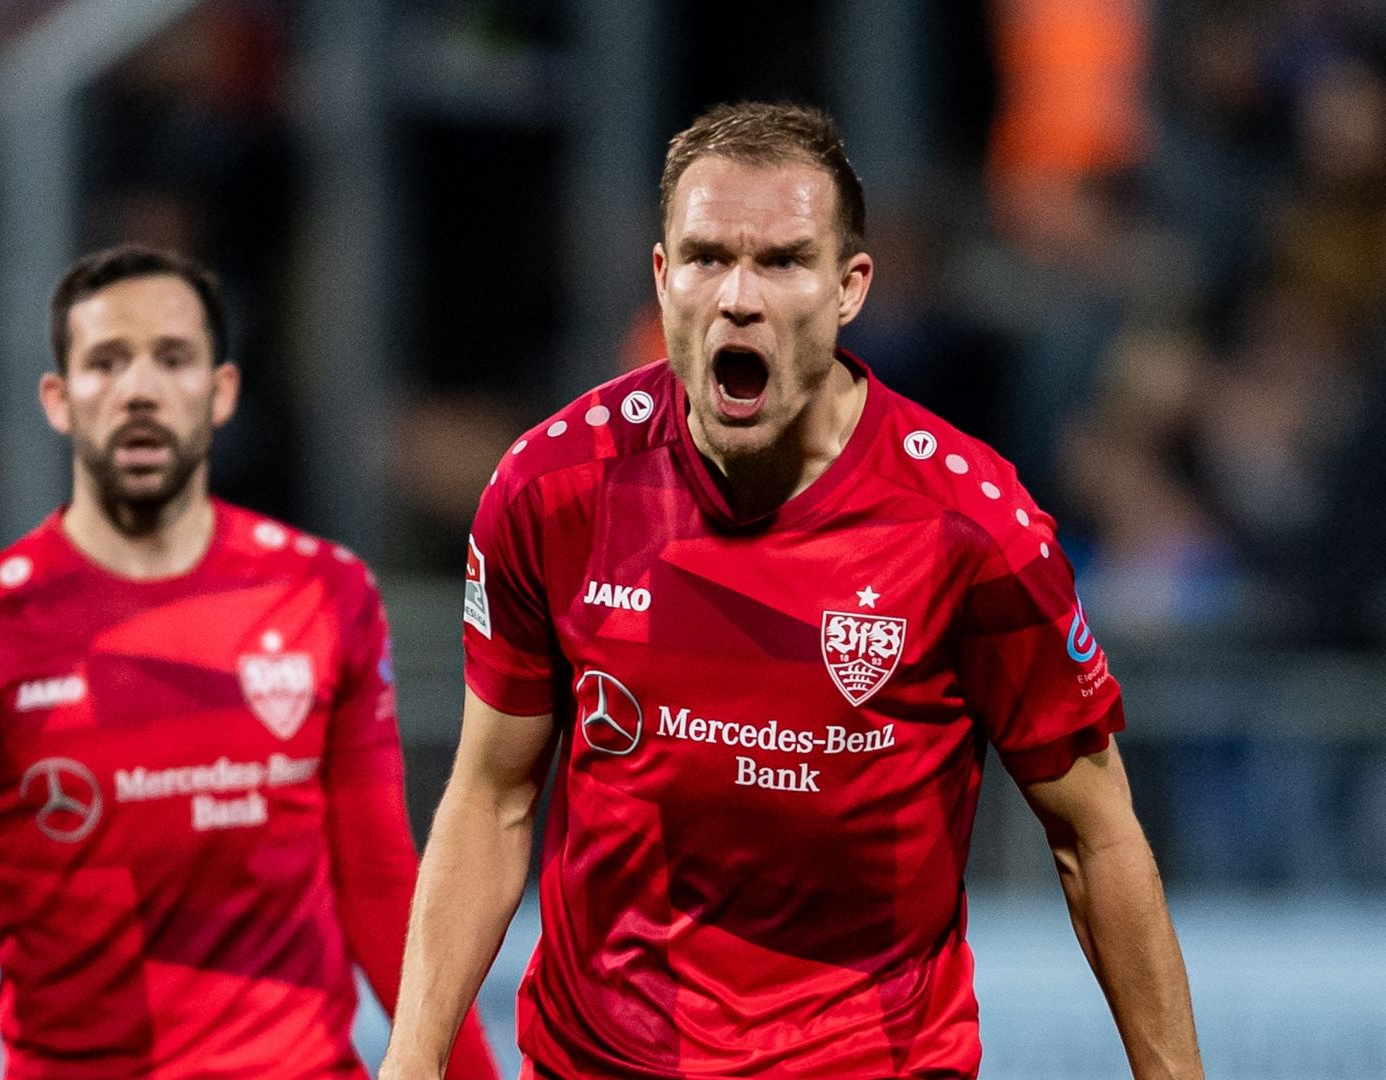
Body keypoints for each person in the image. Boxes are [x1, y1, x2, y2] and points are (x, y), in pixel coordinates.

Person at [379, 103, 1204, 1079]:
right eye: (706, 257)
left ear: (851, 287)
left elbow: (1096, 838)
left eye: (780, 261)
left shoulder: (971, 527)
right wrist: (413, 1061)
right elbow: (492, 799)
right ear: (661, 278)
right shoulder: (552, 489)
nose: (738, 296)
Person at [0, 244, 496, 1080]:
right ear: (59, 399)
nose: (140, 389)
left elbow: (377, 884)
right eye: (106, 362)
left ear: (220, 392)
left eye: (173, 358)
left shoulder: (327, 596)